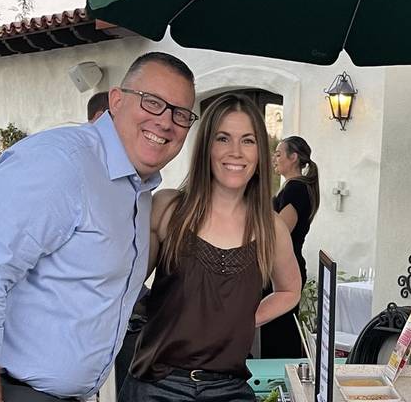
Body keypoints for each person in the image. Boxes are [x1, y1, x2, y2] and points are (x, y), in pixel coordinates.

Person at [0, 51, 197, 402]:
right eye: (153, 102)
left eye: (181, 114)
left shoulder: (135, 190)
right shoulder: (62, 162)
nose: (166, 121)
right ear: (116, 99)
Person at [120, 93, 301, 402]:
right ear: (206, 147)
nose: (235, 152)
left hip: (229, 388)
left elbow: (290, 291)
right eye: (222, 138)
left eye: (248, 141)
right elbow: (122, 280)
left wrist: (244, 318)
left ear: (260, 153)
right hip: (156, 385)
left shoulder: (271, 227)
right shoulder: (167, 209)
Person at [260, 135, 321, 357]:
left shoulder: (296, 189)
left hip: (285, 267)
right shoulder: (296, 188)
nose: (274, 158)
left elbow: (280, 230)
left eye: (278, 153)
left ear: (293, 157)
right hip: (285, 265)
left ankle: (282, 379)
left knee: (279, 330)